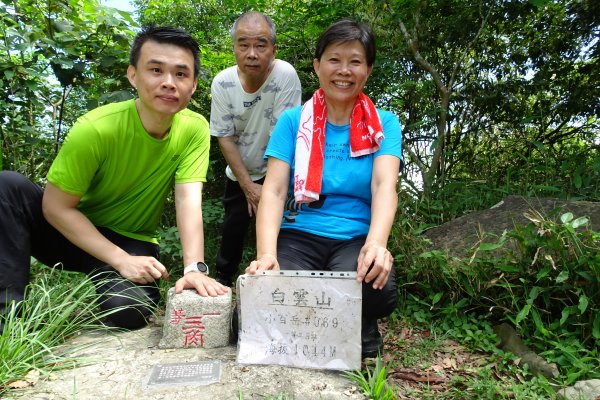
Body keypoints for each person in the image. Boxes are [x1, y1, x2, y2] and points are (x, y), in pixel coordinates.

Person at [0, 25, 227, 331]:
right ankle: (8, 322)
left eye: (181, 74)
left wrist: (195, 269)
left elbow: (188, 198)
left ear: (194, 85)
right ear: (133, 75)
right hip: (67, 230)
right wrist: (119, 260)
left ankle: (108, 286)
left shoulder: (194, 128)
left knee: (128, 313)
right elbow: (55, 207)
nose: (168, 83)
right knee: (8, 185)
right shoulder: (97, 129)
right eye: (156, 70)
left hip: (131, 237)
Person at [246, 20, 402, 358]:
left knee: (375, 287)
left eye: (355, 61)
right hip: (299, 233)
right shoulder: (292, 121)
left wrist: (376, 244)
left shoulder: (384, 124)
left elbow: (384, 185)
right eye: (334, 59)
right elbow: (272, 192)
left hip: (353, 237)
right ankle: (346, 329)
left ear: (368, 70)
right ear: (317, 66)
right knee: (259, 298)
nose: (344, 71)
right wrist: (267, 255)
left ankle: (356, 326)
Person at [210, 11, 302, 287]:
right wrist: (249, 185)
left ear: (273, 49)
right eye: (244, 44)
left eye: (261, 44)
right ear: (234, 48)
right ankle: (223, 283)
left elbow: (283, 136)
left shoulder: (284, 75)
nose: (252, 53)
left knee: (284, 229)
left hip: (280, 166)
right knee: (233, 227)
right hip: (240, 171)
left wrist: (268, 187)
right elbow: (224, 137)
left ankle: (278, 282)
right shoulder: (222, 83)